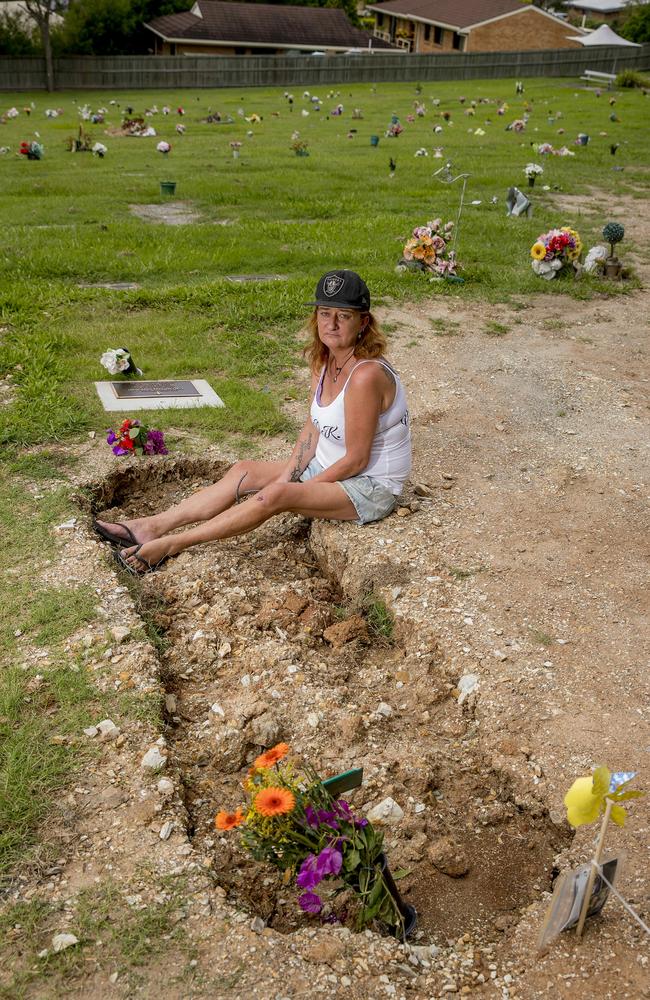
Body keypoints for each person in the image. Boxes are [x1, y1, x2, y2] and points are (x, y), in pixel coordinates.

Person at [93, 269, 411, 574]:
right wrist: (289, 474)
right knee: (244, 470)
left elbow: (357, 459)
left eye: (343, 315)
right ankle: (151, 526)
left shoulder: (365, 376)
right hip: (329, 466)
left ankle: (172, 544)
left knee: (275, 496)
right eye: (324, 313)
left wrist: (298, 489)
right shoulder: (325, 361)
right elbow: (313, 427)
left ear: (363, 322)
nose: (332, 324)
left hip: (368, 486)